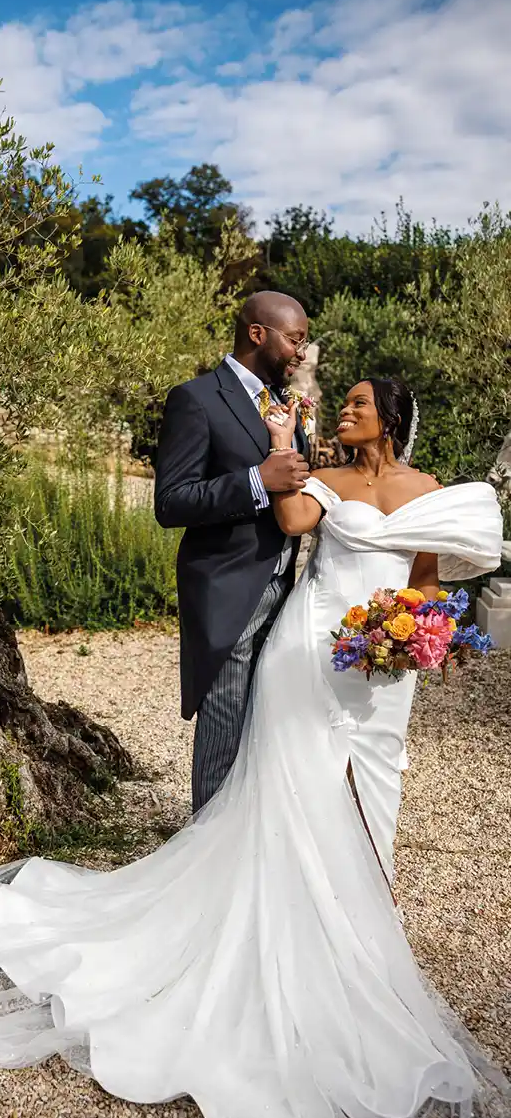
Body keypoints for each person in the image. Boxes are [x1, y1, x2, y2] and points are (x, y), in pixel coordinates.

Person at [0, 380, 509, 1118]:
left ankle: (360, 932)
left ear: (391, 418)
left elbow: (428, 578)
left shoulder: (431, 493)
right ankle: (296, 933)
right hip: (311, 650)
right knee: (295, 791)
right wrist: (287, 441)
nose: (347, 410)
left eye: (359, 402)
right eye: (343, 401)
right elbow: (291, 523)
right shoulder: (326, 475)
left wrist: (425, 636)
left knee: (374, 794)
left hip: (385, 671)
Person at [154, 290, 311, 813]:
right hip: (226, 586)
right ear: (257, 333)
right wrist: (256, 481)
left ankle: (249, 841)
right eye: (295, 339)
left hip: (285, 588)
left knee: (266, 721)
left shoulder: (285, 406)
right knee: (223, 719)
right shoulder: (195, 398)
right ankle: (206, 848)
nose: (301, 352)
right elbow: (171, 502)